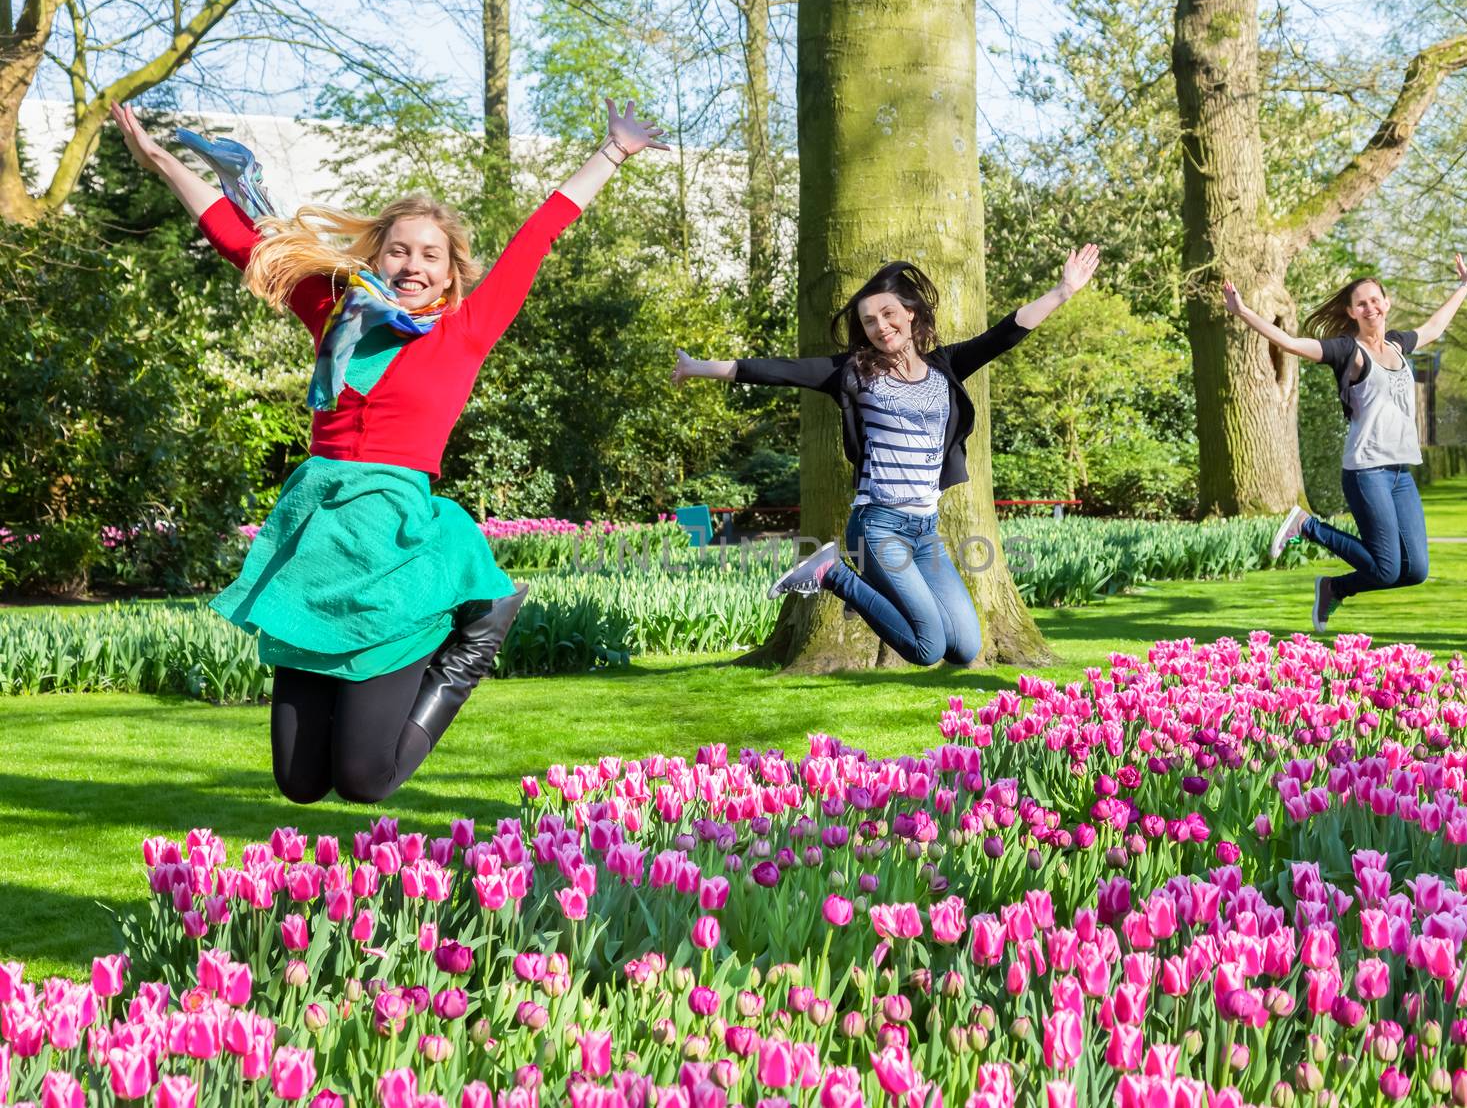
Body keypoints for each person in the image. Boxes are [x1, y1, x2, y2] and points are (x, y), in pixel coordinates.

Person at [111, 99, 667, 803]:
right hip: (318, 545)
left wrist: (611, 154)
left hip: (395, 547)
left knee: (366, 780)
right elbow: (243, 242)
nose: (412, 264)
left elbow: (537, 236)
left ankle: (472, 640)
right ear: (376, 256)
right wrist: (161, 161)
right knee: (300, 782)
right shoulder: (335, 314)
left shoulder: (465, 331)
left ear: (449, 271)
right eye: (399, 250)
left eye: (429, 255)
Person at [671, 249, 1099, 666]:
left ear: (910, 313)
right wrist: (697, 367)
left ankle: (856, 585)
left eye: (889, 314)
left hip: (925, 531)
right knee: (926, 648)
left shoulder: (945, 366)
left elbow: (1003, 335)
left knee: (965, 648)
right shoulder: (854, 372)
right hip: (878, 526)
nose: (881, 326)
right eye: (869, 321)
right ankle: (832, 572)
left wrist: (1062, 291)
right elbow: (778, 370)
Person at [1221, 255, 1467, 632]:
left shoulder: (1398, 346)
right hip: (1366, 471)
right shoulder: (1347, 351)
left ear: (1386, 304)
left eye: (1376, 300)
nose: (1370, 307)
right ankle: (1307, 526)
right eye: (1362, 303)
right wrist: (1243, 312)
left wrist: (1464, 287)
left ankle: (1333, 587)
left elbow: (1434, 328)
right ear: (1352, 311)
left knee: (1415, 570)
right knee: (1387, 568)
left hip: (1399, 473)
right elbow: (1291, 343)